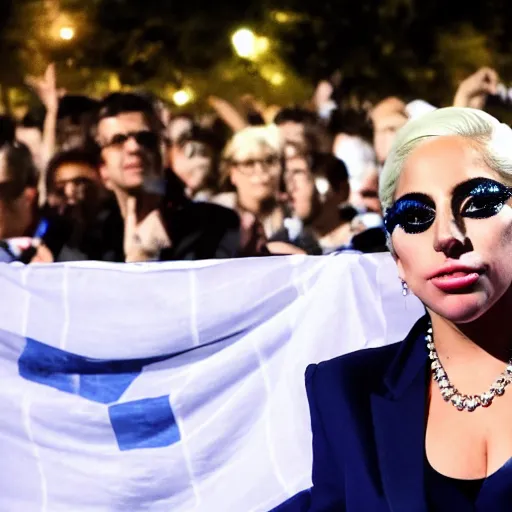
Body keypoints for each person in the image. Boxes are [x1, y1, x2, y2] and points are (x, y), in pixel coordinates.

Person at [274, 107, 512, 511]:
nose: (447, 237)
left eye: (477, 204)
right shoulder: (347, 392)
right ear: (397, 259)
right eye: (416, 216)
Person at [94, 92, 246, 262]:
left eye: (146, 139)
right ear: (102, 169)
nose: (134, 148)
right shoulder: (87, 238)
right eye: (118, 140)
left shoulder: (216, 224)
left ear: (164, 153)